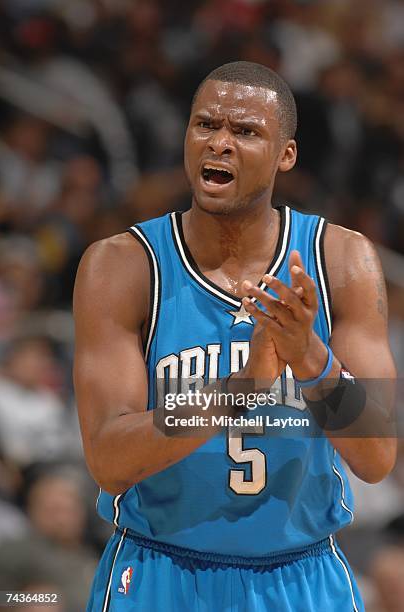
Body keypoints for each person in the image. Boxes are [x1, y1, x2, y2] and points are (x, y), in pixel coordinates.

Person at [73, 61, 397, 611]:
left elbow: (376, 455)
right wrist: (238, 390)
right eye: (205, 125)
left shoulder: (341, 260)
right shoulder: (122, 267)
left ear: (286, 155)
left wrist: (309, 356)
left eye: (245, 132)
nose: (219, 143)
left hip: (301, 575)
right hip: (159, 570)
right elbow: (108, 460)